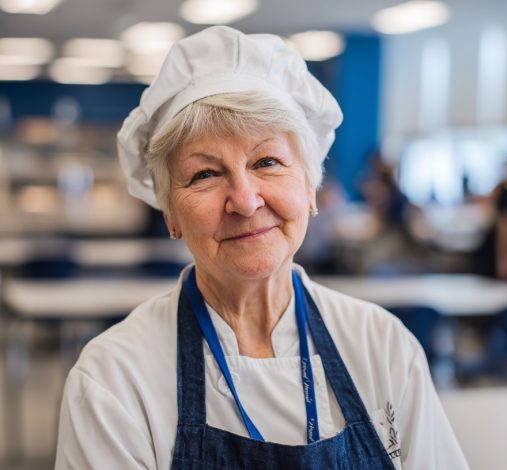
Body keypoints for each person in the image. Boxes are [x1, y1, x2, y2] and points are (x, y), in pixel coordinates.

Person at [55, 26, 468, 470]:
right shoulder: (114, 379)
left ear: (309, 188)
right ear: (170, 214)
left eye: (267, 162)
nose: (246, 201)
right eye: (205, 174)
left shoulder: (382, 347)